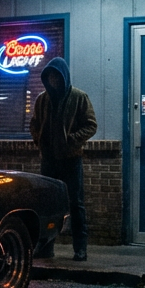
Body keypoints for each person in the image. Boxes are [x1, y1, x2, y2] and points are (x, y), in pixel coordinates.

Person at [30, 57, 97, 261]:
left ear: (64, 77)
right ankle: (46, 247)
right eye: (50, 77)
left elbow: (91, 125)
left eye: (57, 77)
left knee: (75, 204)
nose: (54, 80)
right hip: (49, 159)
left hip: (70, 159)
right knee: (48, 204)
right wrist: (39, 140)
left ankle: (80, 248)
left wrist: (72, 140)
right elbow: (34, 123)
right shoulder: (42, 99)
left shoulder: (79, 97)